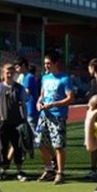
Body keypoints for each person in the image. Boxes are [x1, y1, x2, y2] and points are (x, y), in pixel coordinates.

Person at [35, 50, 75, 184]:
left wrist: (53, 104)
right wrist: (39, 102)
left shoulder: (65, 79)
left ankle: (60, 172)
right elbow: (42, 94)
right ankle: (49, 169)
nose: (46, 66)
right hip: (44, 115)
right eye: (45, 63)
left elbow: (70, 98)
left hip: (58, 116)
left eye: (49, 63)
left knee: (58, 145)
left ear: (55, 63)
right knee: (40, 142)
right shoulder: (45, 78)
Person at [0, 64, 28, 182]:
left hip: (17, 122)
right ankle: (3, 171)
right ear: (3, 73)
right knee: (2, 147)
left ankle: (19, 171)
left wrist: (25, 119)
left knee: (18, 146)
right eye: (7, 72)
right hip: (3, 122)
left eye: (11, 72)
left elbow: (23, 104)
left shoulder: (19, 88)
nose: (9, 74)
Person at [15, 58, 40, 132]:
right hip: (28, 107)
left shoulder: (28, 77)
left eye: (17, 67)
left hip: (30, 107)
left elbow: (26, 93)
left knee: (32, 129)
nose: (16, 69)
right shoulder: (26, 77)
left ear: (23, 65)